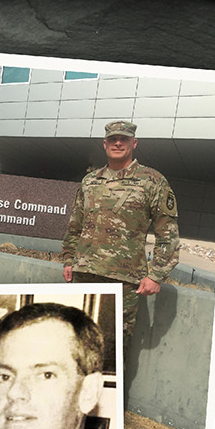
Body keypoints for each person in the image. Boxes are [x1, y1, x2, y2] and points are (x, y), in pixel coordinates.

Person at [60, 120, 180, 341]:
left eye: (123, 139)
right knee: (75, 340)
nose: (117, 143)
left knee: (115, 344)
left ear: (134, 143)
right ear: (105, 144)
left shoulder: (152, 181)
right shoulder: (90, 181)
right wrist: (69, 260)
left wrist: (156, 275)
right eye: (113, 139)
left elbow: (168, 234)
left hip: (124, 281)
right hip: (84, 274)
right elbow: (75, 225)